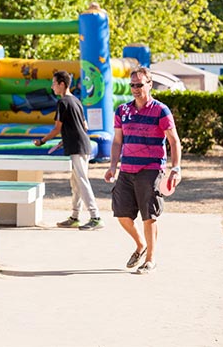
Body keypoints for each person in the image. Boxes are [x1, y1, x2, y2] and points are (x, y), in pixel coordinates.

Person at [104, 67, 182, 275]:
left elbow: (174, 141)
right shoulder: (122, 111)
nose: (135, 88)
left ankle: (150, 260)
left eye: (140, 84)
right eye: (132, 85)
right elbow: (117, 141)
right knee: (121, 213)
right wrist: (113, 166)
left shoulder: (160, 110)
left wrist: (176, 168)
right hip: (126, 169)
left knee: (149, 215)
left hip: (151, 169)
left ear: (150, 84)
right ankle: (141, 245)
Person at [34, 71, 104, 230]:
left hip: (77, 147)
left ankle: (96, 217)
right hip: (82, 145)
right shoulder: (76, 101)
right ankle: (75, 217)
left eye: (54, 83)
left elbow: (57, 128)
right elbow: (84, 126)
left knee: (82, 181)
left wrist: (42, 141)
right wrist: (66, 138)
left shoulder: (62, 102)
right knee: (76, 182)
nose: (52, 87)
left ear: (62, 84)